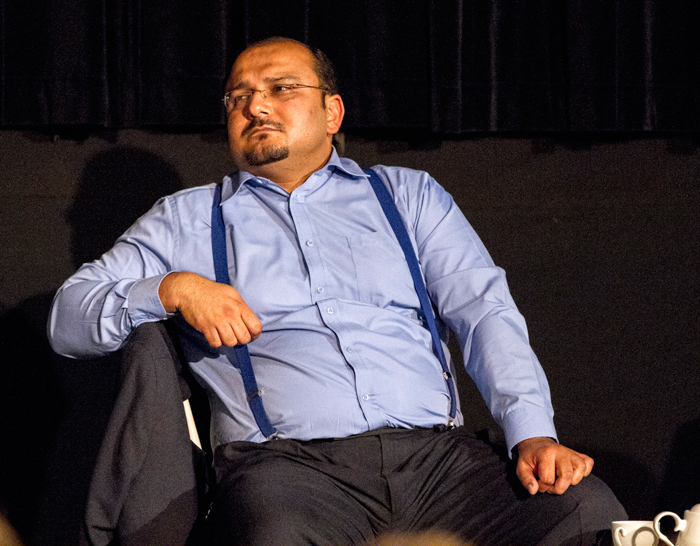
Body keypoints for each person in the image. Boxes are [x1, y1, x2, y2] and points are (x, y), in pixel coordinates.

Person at [48, 37, 626, 545]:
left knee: (585, 510)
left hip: (441, 465)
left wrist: (533, 435)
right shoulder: (188, 219)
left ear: (332, 111)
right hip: (289, 472)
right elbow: (66, 318)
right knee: (274, 534)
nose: (255, 106)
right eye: (238, 96)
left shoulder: (407, 196)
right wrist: (172, 288)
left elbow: (484, 313)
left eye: (280, 88)